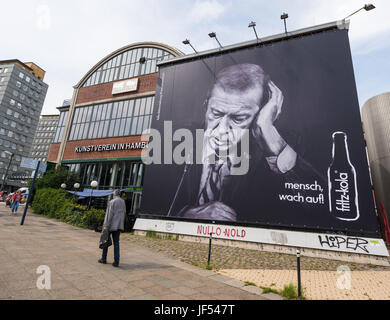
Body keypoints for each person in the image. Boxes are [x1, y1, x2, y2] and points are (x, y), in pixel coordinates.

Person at [170, 63, 325, 224]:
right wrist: (185, 214)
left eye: (239, 118)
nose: (222, 130)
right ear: (205, 107)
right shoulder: (177, 139)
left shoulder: (280, 144)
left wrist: (271, 140)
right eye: (216, 113)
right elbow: (153, 199)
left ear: (260, 116)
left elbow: (326, 207)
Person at [98, 189, 126, 267]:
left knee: (105, 241)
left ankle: (103, 259)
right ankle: (116, 261)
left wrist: (106, 226)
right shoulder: (123, 202)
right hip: (119, 226)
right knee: (116, 243)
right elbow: (124, 213)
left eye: (113, 193)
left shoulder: (112, 202)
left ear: (114, 194)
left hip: (110, 226)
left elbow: (109, 215)